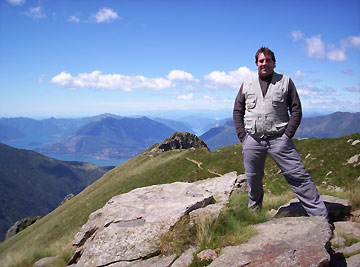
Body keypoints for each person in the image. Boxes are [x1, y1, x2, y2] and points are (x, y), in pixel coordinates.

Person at [233, 47, 328, 220]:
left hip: (279, 139)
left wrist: (286, 136)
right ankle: (254, 218)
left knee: (298, 176)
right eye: (261, 61)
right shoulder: (247, 84)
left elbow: (296, 110)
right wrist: (243, 137)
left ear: (274, 62)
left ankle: (321, 217)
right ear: (256, 64)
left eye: (268, 60)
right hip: (253, 140)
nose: (264, 63)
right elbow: (237, 111)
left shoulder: (285, 81)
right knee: (253, 180)